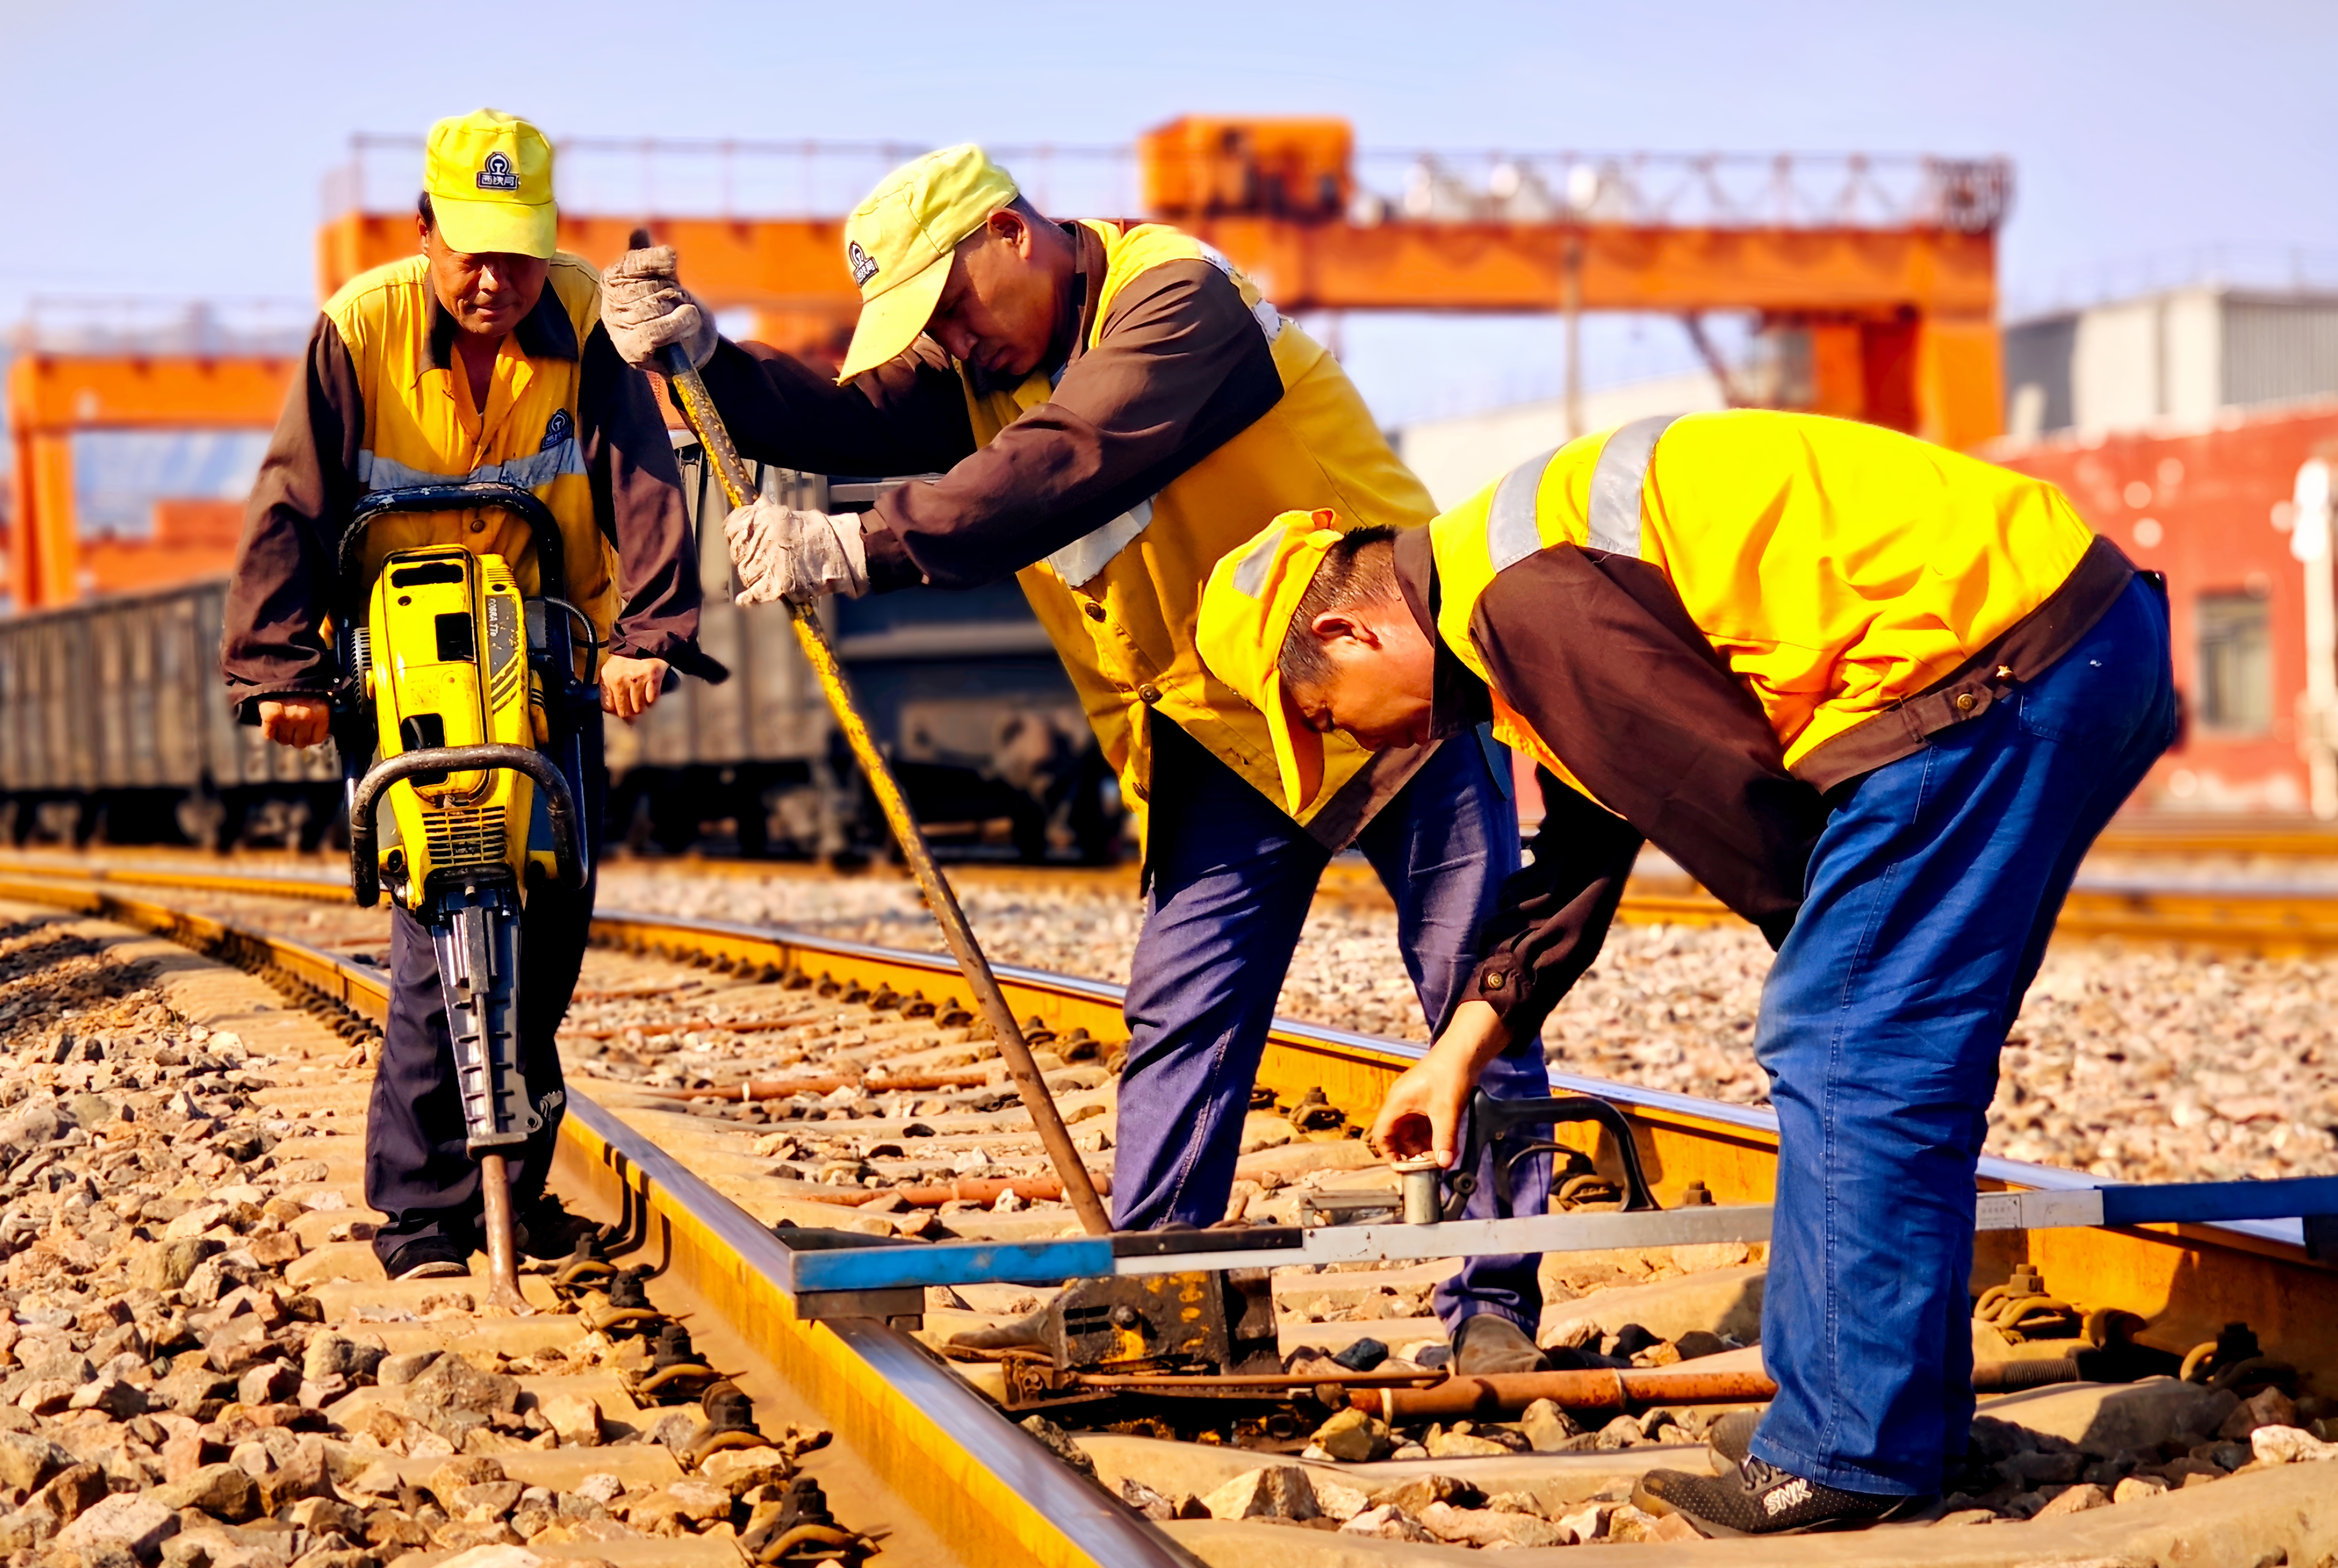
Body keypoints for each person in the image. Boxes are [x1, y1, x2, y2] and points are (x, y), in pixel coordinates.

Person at [600, 144, 1557, 1370]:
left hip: (1384, 676)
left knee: (1477, 984)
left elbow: (1061, 467)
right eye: (923, 326)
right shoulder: (982, 359)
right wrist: (710, 361)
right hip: (1219, 725)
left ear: (1009, 232)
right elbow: (839, 421)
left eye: (948, 305)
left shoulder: (1174, 300)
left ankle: (1490, 1309)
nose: (946, 341)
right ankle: (1161, 1292)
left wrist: (853, 549)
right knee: (1180, 1015)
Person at [1194, 408, 2173, 1533]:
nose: (1360, 745)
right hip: (2068, 645)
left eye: (1326, 717)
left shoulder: (1524, 599)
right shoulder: (1504, 597)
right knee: (1878, 1050)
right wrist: (1460, 1049)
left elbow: (1729, 792)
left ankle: (1849, 1453)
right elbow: (1585, 847)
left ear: (1348, 633)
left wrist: (1836, 966)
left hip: (1988, 675)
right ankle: (1895, 1420)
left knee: (1848, 1042)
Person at [222, 109, 720, 1279]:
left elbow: (642, 482)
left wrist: (644, 636)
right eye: (472, 252)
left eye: (518, 252)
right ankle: (423, 1218)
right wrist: (280, 673)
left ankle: (519, 1187)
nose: (494, 280)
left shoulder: (587, 319)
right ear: (425, 229)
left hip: (543, 653)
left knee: (546, 927)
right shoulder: (360, 329)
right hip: (404, 666)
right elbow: (290, 501)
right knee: (438, 923)